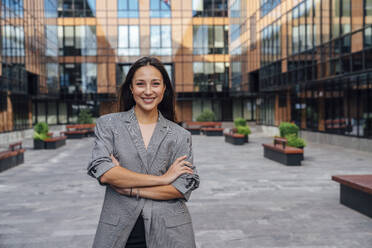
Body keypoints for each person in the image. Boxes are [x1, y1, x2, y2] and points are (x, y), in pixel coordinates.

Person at [87, 56, 200, 248]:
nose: (148, 91)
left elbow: (181, 187)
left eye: (155, 84)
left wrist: (131, 188)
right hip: (119, 229)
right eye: (140, 84)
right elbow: (105, 173)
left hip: (171, 233)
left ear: (164, 88)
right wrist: (164, 179)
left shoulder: (180, 135)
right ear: (131, 88)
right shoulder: (109, 125)